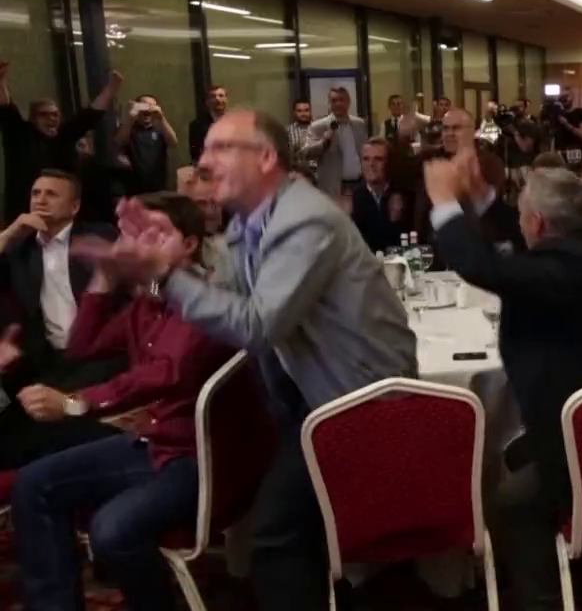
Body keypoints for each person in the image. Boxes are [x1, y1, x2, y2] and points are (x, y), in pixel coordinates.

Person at [72, 108, 417, 611]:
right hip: (308, 402)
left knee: (275, 536)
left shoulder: (304, 221)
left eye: (221, 148)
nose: (205, 162)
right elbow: (225, 306)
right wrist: (168, 259)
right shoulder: (247, 226)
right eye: (206, 149)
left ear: (266, 157)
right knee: (284, 528)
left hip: (360, 404)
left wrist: (167, 274)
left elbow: (256, 326)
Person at [425, 157, 582, 611]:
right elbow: (528, 256)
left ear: (536, 222)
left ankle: (543, 597)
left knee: (510, 501)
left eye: (522, 216)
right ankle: (581, 554)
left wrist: (444, 202)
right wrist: (481, 199)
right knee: (515, 453)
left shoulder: (561, 272)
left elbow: (484, 266)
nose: (520, 225)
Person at [11, 192, 237, 611]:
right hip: (155, 443)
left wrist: (76, 402)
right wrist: (104, 278)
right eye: (134, 235)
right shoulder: (147, 302)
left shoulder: (206, 299)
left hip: (199, 458)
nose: (140, 245)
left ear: (189, 244)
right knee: (33, 484)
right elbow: (82, 347)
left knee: (111, 531)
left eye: (156, 234)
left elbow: (166, 372)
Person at [0, 170, 125, 470]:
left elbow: (142, 282)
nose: (40, 200)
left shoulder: (100, 237)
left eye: (51, 194)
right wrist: (8, 234)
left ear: (74, 206)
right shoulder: (19, 248)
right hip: (47, 362)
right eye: (36, 193)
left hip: (100, 356)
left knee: (51, 429)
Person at [0, 61, 125, 223]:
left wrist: (113, 87)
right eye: (44, 114)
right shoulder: (21, 135)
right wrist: (1, 80)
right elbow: (6, 107)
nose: (51, 118)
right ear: (32, 118)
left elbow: (90, 115)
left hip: (61, 219)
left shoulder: (63, 138)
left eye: (55, 114)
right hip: (25, 218)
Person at [302, 86, 369, 197]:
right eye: (334, 100)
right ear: (329, 103)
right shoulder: (318, 126)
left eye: (341, 100)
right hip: (333, 186)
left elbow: (365, 150)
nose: (338, 103)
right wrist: (323, 142)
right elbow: (306, 153)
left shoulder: (359, 124)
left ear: (348, 102)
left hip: (360, 183)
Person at [350, 138, 406, 254]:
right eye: (366, 159)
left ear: (389, 163)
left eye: (378, 159)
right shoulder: (352, 198)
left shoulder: (404, 195)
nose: (371, 164)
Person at [117, 94, 179, 194]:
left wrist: (161, 117)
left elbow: (173, 142)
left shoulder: (160, 129)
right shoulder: (129, 129)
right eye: (144, 105)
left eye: (151, 106)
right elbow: (118, 142)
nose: (148, 110)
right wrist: (131, 117)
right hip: (133, 190)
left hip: (158, 188)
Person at [187, 85, 227, 165]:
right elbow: (195, 154)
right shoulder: (196, 126)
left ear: (226, 100)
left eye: (221, 96)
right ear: (207, 102)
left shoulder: (236, 123)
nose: (217, 99)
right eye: (213, 96)